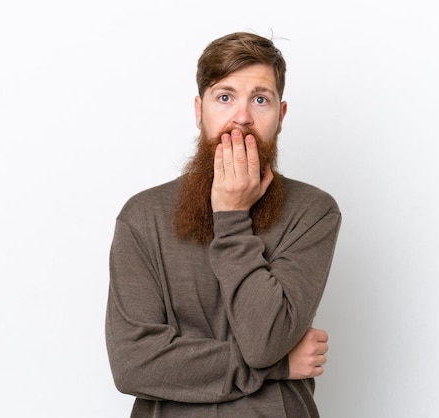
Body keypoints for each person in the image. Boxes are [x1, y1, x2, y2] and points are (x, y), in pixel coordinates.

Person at [106, 31, 342, 417]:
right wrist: (279, 366)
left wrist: (231, 218)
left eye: (260, 99)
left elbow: (264, 340)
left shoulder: (313, 211)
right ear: (200, 110)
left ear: (280, 116)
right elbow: (133, 363)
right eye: (225, 97)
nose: (243, 116)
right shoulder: (142, 215)